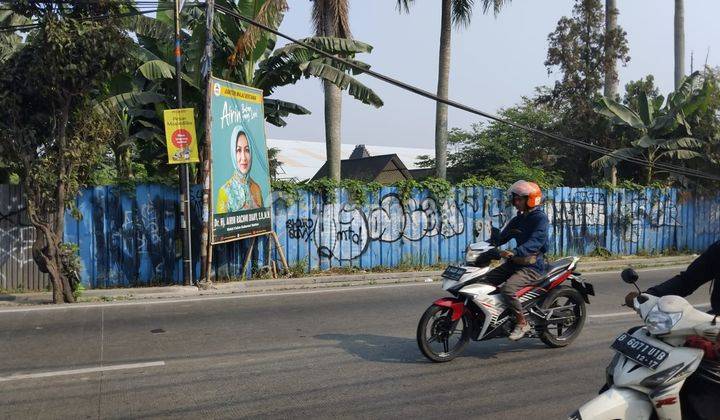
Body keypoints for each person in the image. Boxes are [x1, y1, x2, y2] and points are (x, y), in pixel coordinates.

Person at [484, 180, 549, 341]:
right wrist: (488, 243)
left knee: (508, 289)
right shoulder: (518, 219)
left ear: (531, 200)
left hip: (532, 266)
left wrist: (514, 251)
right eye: (515, 199)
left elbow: (536, 241)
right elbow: (503, 237)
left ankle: (522, 323)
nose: (516, 203)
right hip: (516, 262)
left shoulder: (540, 219)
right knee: (484, 281)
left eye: (520, 199)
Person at [624, 240, 720, 314]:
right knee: (637, 334)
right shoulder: (717, 249)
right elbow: (687, 281)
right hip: (715, 321)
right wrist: (648, 296)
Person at [216, 129, 264, 213]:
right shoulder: (225, 191)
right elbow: (221, 225)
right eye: (238, 150)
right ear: (233, 153)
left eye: (247, 150)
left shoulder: (256, 188)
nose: (244, 158)